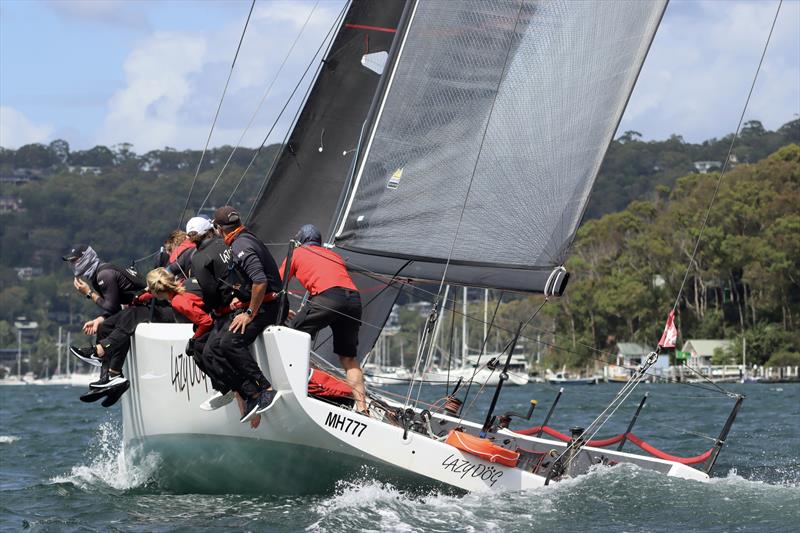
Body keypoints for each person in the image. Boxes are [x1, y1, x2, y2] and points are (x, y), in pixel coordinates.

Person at [204, 205, 285, 423]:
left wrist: (249, 312)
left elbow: (260, 280)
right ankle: (251, 395)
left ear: (220, 229)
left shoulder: (242, 245)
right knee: (216, 345)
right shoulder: (244, 238)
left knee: (230, 342)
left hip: (266, 307)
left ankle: (265, 388)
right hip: (263, 302)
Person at [281, 224, 367, 413]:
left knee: (289, 337)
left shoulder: (296, 253)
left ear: (300, 242)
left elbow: (276, 286)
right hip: (354, 299)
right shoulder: (334, 255)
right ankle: (362, 408)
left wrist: (282, 309)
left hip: (328, 297)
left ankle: (296, 387)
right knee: (348, 358)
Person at [64, 244, 151, 389]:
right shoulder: (97, 274)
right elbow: (115, 307)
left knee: (115, 326)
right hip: (136, 309)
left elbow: (111, 307)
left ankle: (107, 367)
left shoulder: (104, 274)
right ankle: (107, 378)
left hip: (149, 307)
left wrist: (89, 293)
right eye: (71, 262)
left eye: (75, 260)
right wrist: (99, 319)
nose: (73, 265)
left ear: (86, 258)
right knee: (104, 327)